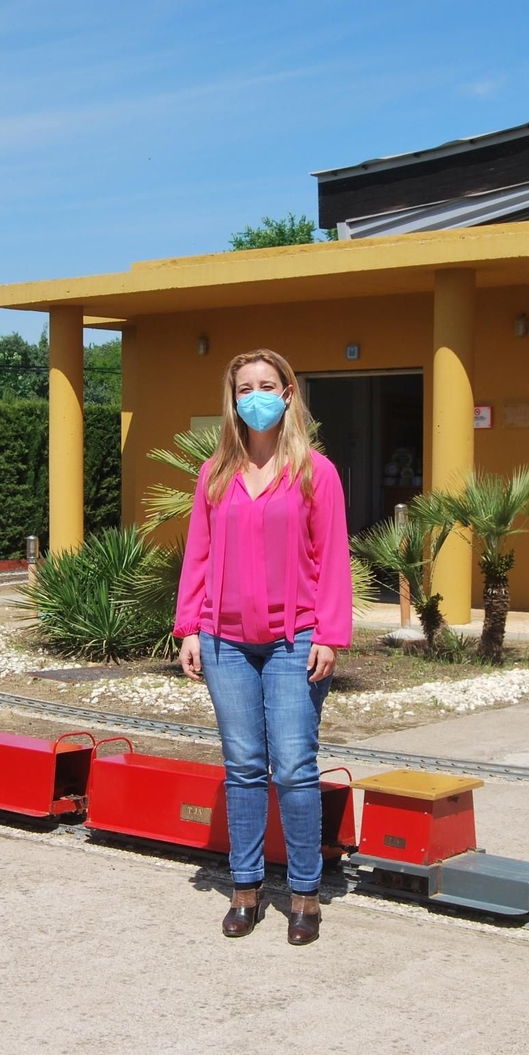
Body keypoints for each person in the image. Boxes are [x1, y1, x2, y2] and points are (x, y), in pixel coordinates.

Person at [175, 348, 352, 945]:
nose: (256, 395)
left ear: (288, 395)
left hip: (293, 640)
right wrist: (191, 628)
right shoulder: (214, 474)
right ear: (233, 400)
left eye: (267, 385)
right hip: (224, 642)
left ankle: (306, 894)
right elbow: (197, 555)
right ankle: (245, 889)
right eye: (245, 386)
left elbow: (331, 560)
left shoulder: (315, 473)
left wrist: (329, 633)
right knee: (244, 766)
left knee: (296, 768)